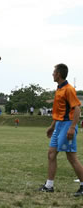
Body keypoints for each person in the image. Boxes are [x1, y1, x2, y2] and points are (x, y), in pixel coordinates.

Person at [39, 63, 83, 197]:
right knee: (51, 154)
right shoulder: (58, 89)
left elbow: (77, 109)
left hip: (68, 124)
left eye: (54, 72)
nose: (52, 74)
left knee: (71, 157)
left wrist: (72, 127)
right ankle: (49, 186)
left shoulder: (69, 89)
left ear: (58, 74)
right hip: (59, 125)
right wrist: (52, 127)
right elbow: (59, 112)